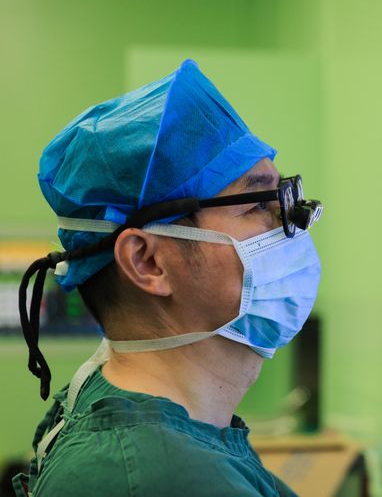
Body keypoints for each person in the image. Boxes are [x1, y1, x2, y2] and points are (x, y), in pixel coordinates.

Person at [12, 60, 322, 496]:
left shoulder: (131, 412)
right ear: (147, 262)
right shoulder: (162, 475)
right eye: (257, 204)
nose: (294, 221)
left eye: (283, 198)